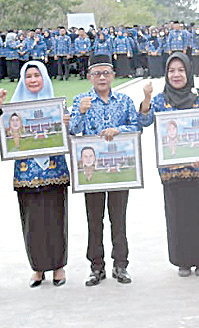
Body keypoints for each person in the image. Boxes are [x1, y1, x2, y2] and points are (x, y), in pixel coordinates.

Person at [0, 60, 70, 288]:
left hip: (55, 171)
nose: (33, 80)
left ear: (44, 78)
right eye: (29, 76)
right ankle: (37, 268)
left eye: (37, 75)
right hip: (26, 173)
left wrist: (68, 122)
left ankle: (58, 267)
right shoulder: (13, 108)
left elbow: (73, 132)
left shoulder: (57, 106)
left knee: (56, 218)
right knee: (31, 221)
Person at [138, 52, 199, 277]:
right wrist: (146, 99)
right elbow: (143, 121)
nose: (176, 75)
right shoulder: (159, 100)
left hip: (198, 167)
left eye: (181, 70)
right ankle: (182, 260)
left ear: (189, 72)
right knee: (177, 215)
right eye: (171, 71)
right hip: (171, 170)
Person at [69, 54, 141, 285]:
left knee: (118, 218)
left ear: (113, 75)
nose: (102, 77)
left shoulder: (124, 100)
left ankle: (121, 265)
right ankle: (96, 267)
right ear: (89, 76)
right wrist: (79, 112)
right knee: (94, 219)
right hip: (92, 171)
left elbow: (137, 125)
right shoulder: (82, 100)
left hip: (118, 168)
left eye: (106, 73)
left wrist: (119, 130)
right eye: (97, 73)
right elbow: (72, 130)